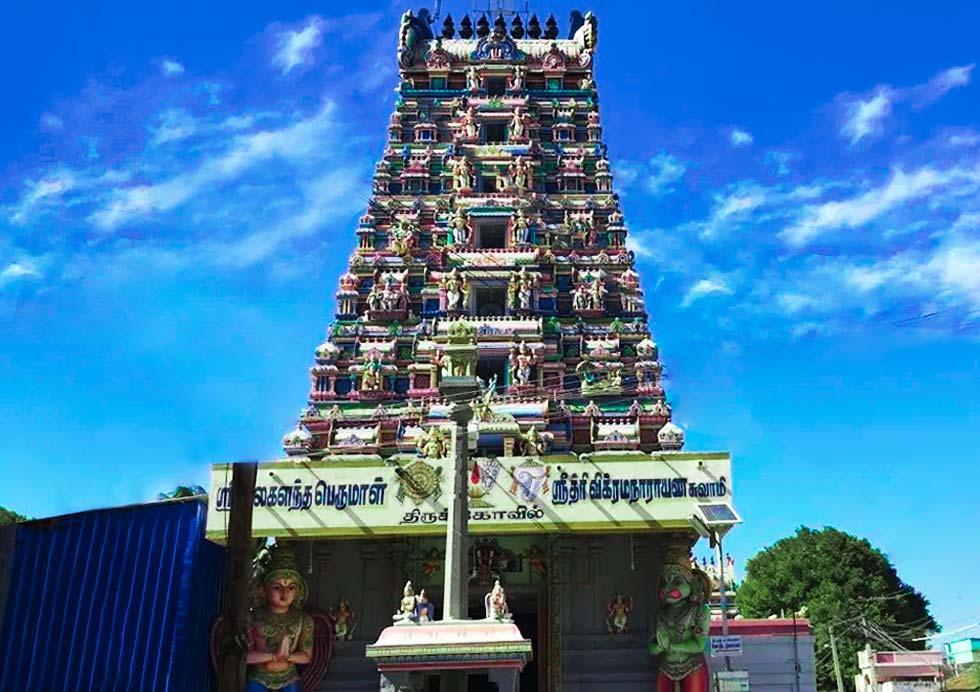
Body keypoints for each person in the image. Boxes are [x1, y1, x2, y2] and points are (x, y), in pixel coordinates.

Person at [245, 545, 314, 692]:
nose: (284, 594)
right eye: (277, 587)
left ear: (298, 591)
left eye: (291, 588)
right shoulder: (253, 617)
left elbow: (306, 656)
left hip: (289, 676)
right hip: (260, 675)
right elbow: (246, 656)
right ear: (263, 590)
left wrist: (288, 656)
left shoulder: (303, 620)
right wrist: (272, 656)